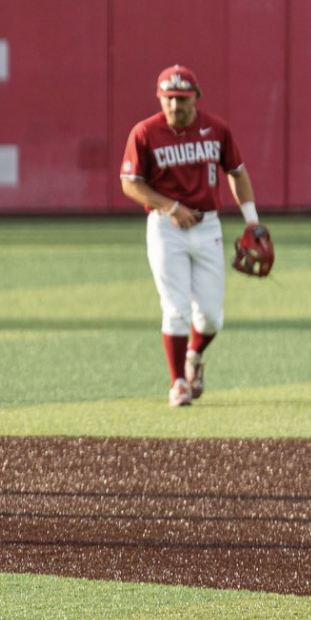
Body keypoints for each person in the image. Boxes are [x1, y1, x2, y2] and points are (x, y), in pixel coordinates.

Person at [118, 64, 261, 407]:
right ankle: (177, 382)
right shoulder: (145, 132)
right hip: (166, 229)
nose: (175, 105)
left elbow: (237, 172)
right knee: (176, 309)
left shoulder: (216, 129)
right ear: (159, 97)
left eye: (182, 98)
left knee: (211, 316)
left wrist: (252, 221)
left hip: (208, 224)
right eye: (169, 98)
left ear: (196, 97)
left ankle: (193, 357)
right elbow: (130, 183)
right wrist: (170, 206)